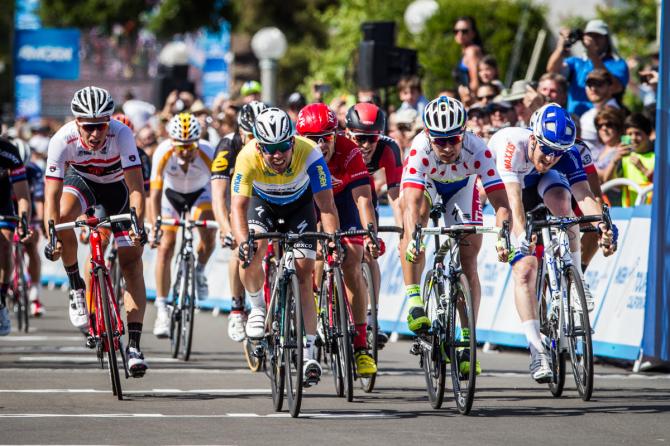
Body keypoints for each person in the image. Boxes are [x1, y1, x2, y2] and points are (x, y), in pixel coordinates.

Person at [488, 103, 616, 383]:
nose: (550, 157)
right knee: (525, 269)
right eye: (545, 149)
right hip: (511, 188)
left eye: (557, 153)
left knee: (563, 204)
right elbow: (513, 202)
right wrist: (521, 238)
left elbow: (583, 194)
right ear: (532, 138)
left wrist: (601, 224)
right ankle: (536, 350)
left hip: (542, 183)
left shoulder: (564, 153)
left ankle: (575, 278)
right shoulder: (513, 144)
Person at [399, 96, 510, 375]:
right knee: (417, 216)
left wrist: (502, 235)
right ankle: (414, 299)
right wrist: (415, 236)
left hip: (462, 188)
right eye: (440, 141)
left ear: (464, 133)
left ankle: (465, 338)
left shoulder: (478, 149)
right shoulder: (420, 149)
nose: (447, 147)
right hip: (428, 186)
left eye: (453, 139)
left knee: (468, 259)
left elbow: (501, 203)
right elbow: (410, 203)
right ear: (428, 135)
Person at [43, 86, 148, 376]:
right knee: (63, 216)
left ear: (109, 122)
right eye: (88, 127)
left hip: (118, 189)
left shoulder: (122, 134)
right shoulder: (62, 139)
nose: (95, 133)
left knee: (131, 262)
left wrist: (139, 223)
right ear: (77, 123)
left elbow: (137, 189)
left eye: (100, 125)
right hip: (83, 183)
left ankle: (135, 346)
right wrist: (51, 236)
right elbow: (51, 197)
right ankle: (76, 287)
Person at [231, 107, 340, 385]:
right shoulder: (246, 157)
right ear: (259, 146)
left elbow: (326, 205)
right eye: (270, 149)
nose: (277, 155)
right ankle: (256, 307)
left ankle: (309, 351)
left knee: (304, 274)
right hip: (263, 205)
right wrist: (243, 242)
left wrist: (332, 241)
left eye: (282, 147)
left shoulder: (311, 154)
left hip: (299, 207)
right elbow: (237, 208)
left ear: (292, 141)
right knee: (250, 252)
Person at [296, 103, 379, 377]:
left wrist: (370, 234)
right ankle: (318, 300)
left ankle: (360, 344)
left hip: (343, 201)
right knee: (315, 253)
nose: (321, 145)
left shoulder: (349, 150)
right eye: (313, 140)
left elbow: (364, 199)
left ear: (336, 135)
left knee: (353, 260)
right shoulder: (296, 154)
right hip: (309, 202)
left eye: (326, 138)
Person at [148, 113, 216, 338]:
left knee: (208, 235)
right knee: (165, 246)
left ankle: (199, 270)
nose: (186, 152)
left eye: (190, 146)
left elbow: (220, 192)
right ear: (172, 142)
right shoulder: (162, 152)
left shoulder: (208, 152)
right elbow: (154, 194)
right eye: (181, 147)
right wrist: (155, 225)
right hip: (172, 196)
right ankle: (162, 311)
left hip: (201, 193)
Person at [345, 103, 403, 348]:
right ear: (348, 133)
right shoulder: (338, 146)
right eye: (360, 138)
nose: (366, 145)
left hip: (365, 193)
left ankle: (372, 316)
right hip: (338, 189)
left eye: (372, 139)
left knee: (369, 252)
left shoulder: (389, 148)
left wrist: (403, 232)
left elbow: (396, 195)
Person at [211, 101, 267, 342]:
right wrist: (226, 229)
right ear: (240, 132)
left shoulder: (272, 143)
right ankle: (236, 308)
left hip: (267, 196)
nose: (255, 141)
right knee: (239, 246)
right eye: (250, 136)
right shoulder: (228, 146)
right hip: (240, 199)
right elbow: (218, 196)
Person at [547, 19, 629, 116]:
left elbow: (615, 87)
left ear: (607, 39)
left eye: (598, 36)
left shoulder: (617, 63)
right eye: (590, 35)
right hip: (576, 120)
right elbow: (552, 71)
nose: (594, 39)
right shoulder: (577, 62)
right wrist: (561, 46)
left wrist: (592, 54)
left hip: (605, 119)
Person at [0, 137, 32, 335]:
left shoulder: (8, 152)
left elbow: (22, 196)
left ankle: (1, 301)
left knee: (4, 244)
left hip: (3, 205)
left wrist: (23, 222)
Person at [12, 139, 45, 317]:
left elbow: (39, 200)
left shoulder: (34, 171)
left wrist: (41, 223)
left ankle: (35, 294)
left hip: (28, 209)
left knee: (32, 246)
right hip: (7, 207)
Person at [579, 69, 620, 158]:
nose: (593, 88)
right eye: (589, 84)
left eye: (598, 84)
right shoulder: (587, 115)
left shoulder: (615, 113)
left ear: (610, 87)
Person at [620, 113, 654, 207]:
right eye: (630, 134)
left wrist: (642, 168)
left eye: (637, 133)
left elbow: (663, 183)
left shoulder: (657, 156)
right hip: (628, 211)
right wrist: (615, 160)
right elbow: (610, 182)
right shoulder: (624, 156)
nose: (633, 138)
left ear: (648, 134)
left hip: (650, 210)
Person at [453, 16, 484, 94]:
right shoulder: (466, 51)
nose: (460, 34)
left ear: (473, 33)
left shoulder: (471, 51)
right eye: (456, 31)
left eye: (464, 31)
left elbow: (475, 83)